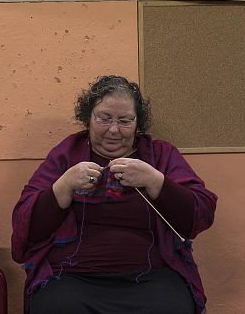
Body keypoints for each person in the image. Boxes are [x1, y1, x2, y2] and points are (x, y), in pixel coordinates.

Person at [11, 75, 217, 314]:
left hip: (152, 278)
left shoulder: (160, 155)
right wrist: (63, 186)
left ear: (138, 123)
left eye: (125, 121)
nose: (113, 130)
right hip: (72, 278)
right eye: (104, 118)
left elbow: (201, 213)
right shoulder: (67, 154)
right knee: (56, 306)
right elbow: (25, 224)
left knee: (171, 307)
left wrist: (155, 181)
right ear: (87, 118)